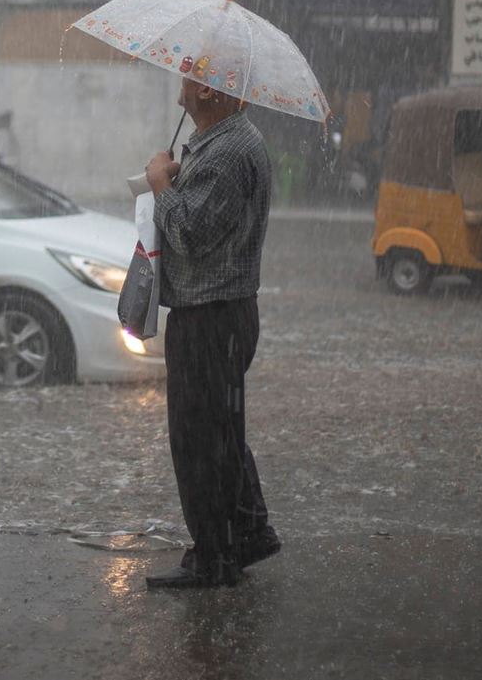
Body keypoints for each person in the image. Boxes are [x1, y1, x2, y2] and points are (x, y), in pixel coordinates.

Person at [141, 76, 280, 589]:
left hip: (210, 316)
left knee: (199, 440)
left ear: (208, 91)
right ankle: (246, 533)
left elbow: (190, 234)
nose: (177, 75)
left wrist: (160, 184)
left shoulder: (226, 153)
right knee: (221, 433)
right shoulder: (226, 141)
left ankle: (214, 560)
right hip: (221, 312)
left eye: (188, 71)